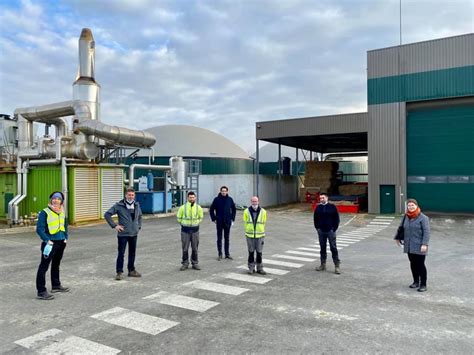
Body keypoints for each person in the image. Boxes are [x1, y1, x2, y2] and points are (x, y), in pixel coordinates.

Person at [35, 191, 70, 300]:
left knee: (56, 265)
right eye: (54, 198)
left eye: (59, 199)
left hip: (61, 242)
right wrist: (47, 240)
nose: (56, 200)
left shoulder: (62, 211)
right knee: (43, 267)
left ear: (61, 201)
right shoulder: (44, 212)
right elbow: (39, 229)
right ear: (51, 200)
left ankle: (56, 285)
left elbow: (65, 226)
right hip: (50, 243)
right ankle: (41, 291)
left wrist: (66, 238)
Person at [104, 187, 143, 281]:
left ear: (134, 196)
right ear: (125, 195)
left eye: (132, 195)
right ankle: (119, 272)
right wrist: (115, 226)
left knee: (132, 253)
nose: (131, 196)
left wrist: (138, 226)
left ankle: (131, 270)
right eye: (129, 195)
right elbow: (107, 214)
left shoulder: (136, 205)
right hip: (123, 234)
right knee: (121, 253)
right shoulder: (119, 205)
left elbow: (140, 216)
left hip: (134, 233)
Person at [395, 198, 431, 292]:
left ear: (416, 206)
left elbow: (426, 232)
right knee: (413, 264)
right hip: (409, 244)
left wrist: (424, 244)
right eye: (409, 205)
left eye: (412, 205)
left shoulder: (423, 218)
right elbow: (401, 227)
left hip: (419, 245)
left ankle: (423, 284)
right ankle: (416, 282)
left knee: (420, 264)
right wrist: (397, 238)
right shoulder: (406, 216)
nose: (410, 207)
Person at [313, 193, 341, 274]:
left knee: (333, 247)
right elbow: (315, 219)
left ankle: (337, 266)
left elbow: (337, 219)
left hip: (330, 231)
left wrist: (333, 229)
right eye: (320, 198)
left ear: (327, 198)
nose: (321, 199)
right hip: (321, 231)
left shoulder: (332, 207)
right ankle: (323, 265)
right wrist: (317, 228)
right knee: (322, 247)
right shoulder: (318, 207)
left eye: (323, 198)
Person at [177, 191, 203, 271]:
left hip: (195, 230)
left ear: (195, 198)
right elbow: (179, 217)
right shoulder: (182, 207)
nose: (191, 199)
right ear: (187, 198)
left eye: (193, 197)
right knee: (185, 248)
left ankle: (195, 263)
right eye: (190, 197)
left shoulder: (198, 207)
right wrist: (183, 224)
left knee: (195, 247)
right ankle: (185, 263)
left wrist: (196, 223)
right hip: (185, 230)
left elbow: (200, 217)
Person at [209, 186, 237, 260]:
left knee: (227, 238)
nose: (224, 192)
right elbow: (211, 210)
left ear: (227, 191)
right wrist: (214, 218)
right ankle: (220, 254)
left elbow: (234, 209)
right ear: (220, 191)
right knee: (219, 238)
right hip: (219, 222)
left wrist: (232, 218)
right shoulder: (217, 200)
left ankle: (227, 254)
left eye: (225, 191)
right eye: (222, 191)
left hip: (227, 221)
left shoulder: (230, 199)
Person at [243, 196, 267, 275]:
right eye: (253, 201)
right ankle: (251, 268)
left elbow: (264, 222)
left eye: (256, 201)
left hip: (260, 236)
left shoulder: (263, 211)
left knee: (259, 253)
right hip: (249, 235)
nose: (254, 203)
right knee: (251, 252)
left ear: (258, 202)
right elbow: (245, 222)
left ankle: (260, 268)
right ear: (251, 202)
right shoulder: (246, 211)